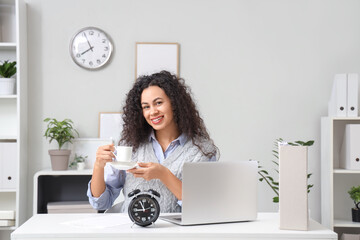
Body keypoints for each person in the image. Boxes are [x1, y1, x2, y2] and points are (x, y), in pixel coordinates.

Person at [87, 71, 218, 213]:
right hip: (130, 232)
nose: (153, 112)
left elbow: (201, 207)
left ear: (175, 104)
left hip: (175, 234)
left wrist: (163, 174)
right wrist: (98, 166)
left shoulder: (201, 150)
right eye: (146, 107)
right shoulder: (131, 146)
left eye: (159, 103)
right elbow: (100, 203)